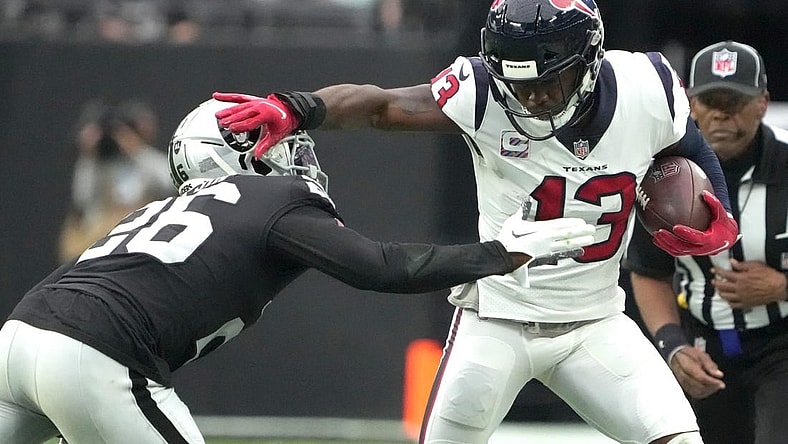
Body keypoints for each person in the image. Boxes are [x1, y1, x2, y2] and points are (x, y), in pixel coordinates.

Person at [210, 1, 742, 443]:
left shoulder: (647, 86)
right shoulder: (484, 91)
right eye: (518, 82)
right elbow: (383, 106)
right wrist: (299, 108)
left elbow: (691, 148)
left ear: (588, 58)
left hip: (597, 323)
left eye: (546, 82)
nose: (530, 96)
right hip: (497, 322)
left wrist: (716, 207)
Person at [0, 98, 596, 444]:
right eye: (273, 139)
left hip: (19, 336)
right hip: (98, 354)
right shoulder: (271, 202)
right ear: (241, 153)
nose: (292, 148)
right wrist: (496, 253)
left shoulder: (164, 204)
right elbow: (380, 267)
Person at [626, 41, 788, 444]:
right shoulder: (665, 174)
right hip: (705, 342)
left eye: (733, 100)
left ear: (762, 102)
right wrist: (673, 346)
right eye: (709, 100)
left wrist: (783, 286)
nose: (721, 113)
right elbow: (649, 271)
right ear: (690, 105)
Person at [59, 99, 174, 262]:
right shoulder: (96, 164)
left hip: (136, 238)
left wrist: (135, 150)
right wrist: (89, 155)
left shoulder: (144, 159)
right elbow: (82, 197)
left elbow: (168, 181)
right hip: (97, 240)